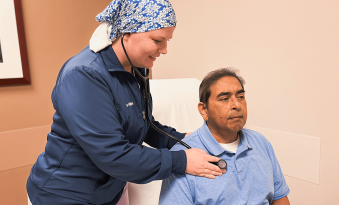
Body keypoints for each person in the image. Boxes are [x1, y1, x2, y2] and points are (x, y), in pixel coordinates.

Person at [26, 0, 225, 204]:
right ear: (126, 33)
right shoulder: (83, 75)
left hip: (107, 192)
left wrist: (186, 139)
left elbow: (144, 124)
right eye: (158, 40)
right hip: (64, 195)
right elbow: (112, 154)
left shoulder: (135, 69)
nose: (164, 50)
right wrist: (182, 161)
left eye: (167, 41)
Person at [159, 68, 290, 205]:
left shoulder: (261, 143)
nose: (236, 105)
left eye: (240, 97)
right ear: (204, 110)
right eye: (225, 99)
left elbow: (280, 198)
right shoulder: (183, 157)